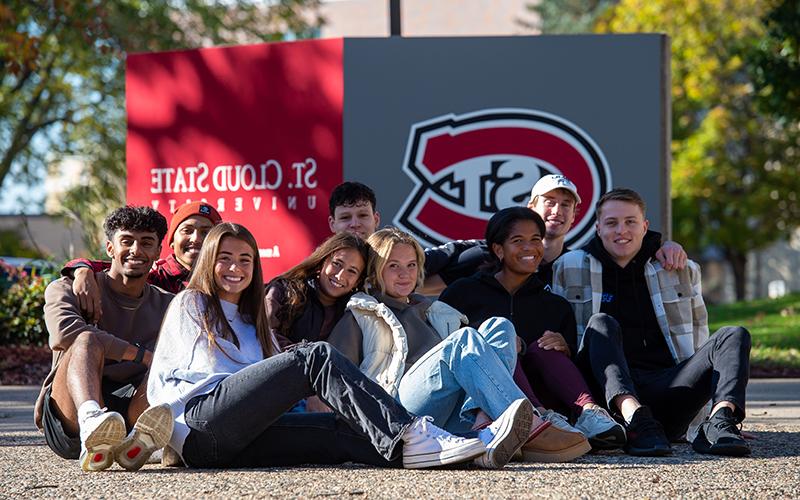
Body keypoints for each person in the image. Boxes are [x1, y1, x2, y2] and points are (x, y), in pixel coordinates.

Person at [147, 222, 488, 470]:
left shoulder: (253, 320)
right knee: (313, 355)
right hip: (200, 425)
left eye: (246, 259)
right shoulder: (193, 302)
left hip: (238, 441)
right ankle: (412, 430)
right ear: (209, 259)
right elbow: (218, 377)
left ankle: (447, 453)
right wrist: (281, 381)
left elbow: (265, 383)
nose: (236, 267)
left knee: (338, 434)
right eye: (225, 257)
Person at [327, 227, 563, 469]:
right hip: (402, 416)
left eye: (411, 265)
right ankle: (533, 428)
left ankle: (484, 427)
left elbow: (475, 358)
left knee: (499, 326)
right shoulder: (361, 314)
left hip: (451, 417)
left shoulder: (434, 311)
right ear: (376, 270)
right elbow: (332, 383)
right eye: (393, 265)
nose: (404, 274)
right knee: (463, 340)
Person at [552, 188, 752, 457]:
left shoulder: (677, 267)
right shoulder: (569, 266)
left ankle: (720, 422)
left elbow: (698, 333)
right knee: (601, 323)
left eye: (630, 222)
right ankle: (635, 420)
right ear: (598, 228)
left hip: (669, 389)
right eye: (612, 223)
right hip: (608, 398)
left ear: (645, 227)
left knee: (734, 334)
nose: (621, 230)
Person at [440, 207, 626, 458]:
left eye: (536, 239)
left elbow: (571, 359)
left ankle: (589, 414)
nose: (530, 248)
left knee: (544, 347)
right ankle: (532, 417)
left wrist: (565, 347)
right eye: (518, 241)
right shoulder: (463, 292)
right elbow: (447, 349)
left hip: (550, 400)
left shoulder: (555, 304)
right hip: (480, 400)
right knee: (498, 341)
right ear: (498, 249)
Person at [35, 205, 176, 472]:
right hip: (71, 419)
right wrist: (141, 355)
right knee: (86, 339)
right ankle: (93, 424)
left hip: (131, 409)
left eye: (147, 243)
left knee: (170, 362)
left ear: (158, 252)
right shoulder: (66, 289)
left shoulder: (169, 305)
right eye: (126, 241)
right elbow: (66, 333)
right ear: (110, 248)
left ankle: (138, 440)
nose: (136, 250)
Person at [422, 174, 687, 293]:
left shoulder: (581, 264)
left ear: (574, 216)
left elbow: (626, 251)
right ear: (530, 208)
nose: (556, 210)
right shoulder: (488, 254)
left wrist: (663, 245)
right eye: (548, 201)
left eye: (566, 204)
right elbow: (420, 285)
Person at [60, 201, 222, 323]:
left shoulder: (225, 279)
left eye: (206, 232)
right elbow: (117, 266)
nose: (196, 239)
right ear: (172, 241)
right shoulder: (154, 276)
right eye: (187, 230)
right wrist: (82, 270)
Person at [265, 233, 369, 349]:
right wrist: (307, 357)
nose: (340, 276)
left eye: (352, 271)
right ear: (322, 261)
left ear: (357, 281)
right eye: (337, 264)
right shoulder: (283, 290)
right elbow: (266, 332)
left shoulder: (354, 313)